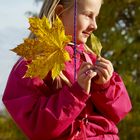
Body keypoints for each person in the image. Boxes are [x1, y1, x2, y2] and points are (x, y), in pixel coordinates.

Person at [2, 0, 132, 139]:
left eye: (96, 17)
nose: (95, 25)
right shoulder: (32, 65)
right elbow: (37, 127)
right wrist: (75, 94)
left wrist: (105, 86)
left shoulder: (91, 59)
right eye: (88, 15)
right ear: (59, 13)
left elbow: (120, 111)